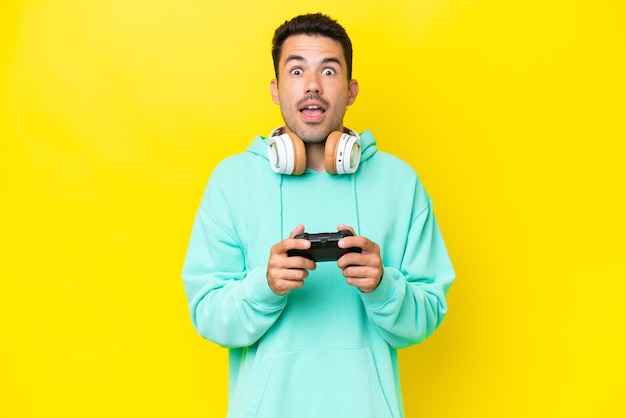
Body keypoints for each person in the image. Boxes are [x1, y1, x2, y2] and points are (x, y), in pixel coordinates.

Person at [182, 13, 455, 418]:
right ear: (276, 89)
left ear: (351, 89)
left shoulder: (400, 182)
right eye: (296, 70)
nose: (312, 85)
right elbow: (207, 314)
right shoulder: (231, 181)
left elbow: (427, 315)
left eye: (329, 69)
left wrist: (383, 285)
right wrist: (266, 286)